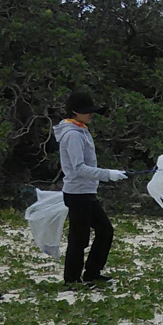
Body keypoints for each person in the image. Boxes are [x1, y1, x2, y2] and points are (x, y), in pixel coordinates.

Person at [52, 92, 128, 287]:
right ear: (75, 112)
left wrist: (109, 174)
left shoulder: (81, 130)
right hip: (77, 193)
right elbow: (78, 168)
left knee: (105, 231)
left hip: (86, 192)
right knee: (79, 238)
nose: (91, 115)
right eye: (87, 112)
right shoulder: (72, 135)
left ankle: (92, 273)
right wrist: (107, 174)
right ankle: (72, 279)